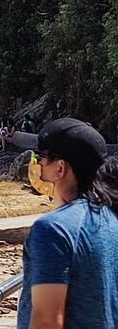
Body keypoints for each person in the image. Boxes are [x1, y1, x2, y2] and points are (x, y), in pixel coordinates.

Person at [15, 118, 118, 329]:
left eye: (41, 158)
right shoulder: (110, 218)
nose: (37, 166)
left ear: (60, 168)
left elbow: (48, 322)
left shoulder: (53, 229)